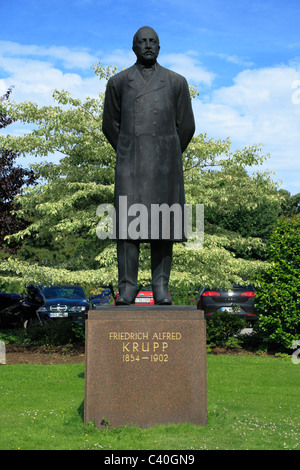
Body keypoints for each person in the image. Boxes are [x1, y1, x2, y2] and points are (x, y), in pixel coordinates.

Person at [102, 26, 195, 305]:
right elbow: (109, 125)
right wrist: (131, 150)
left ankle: (161, 287)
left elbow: (186, 126)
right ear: (134, 48)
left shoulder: (176, 82)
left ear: (160, 46)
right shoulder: (118, 82)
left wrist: (166, 154)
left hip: (165, 167)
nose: (148, 46)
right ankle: (127, 287)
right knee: (127, 227)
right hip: (130, 166)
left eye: (153, 41)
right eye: (142, 42)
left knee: (163, 226)